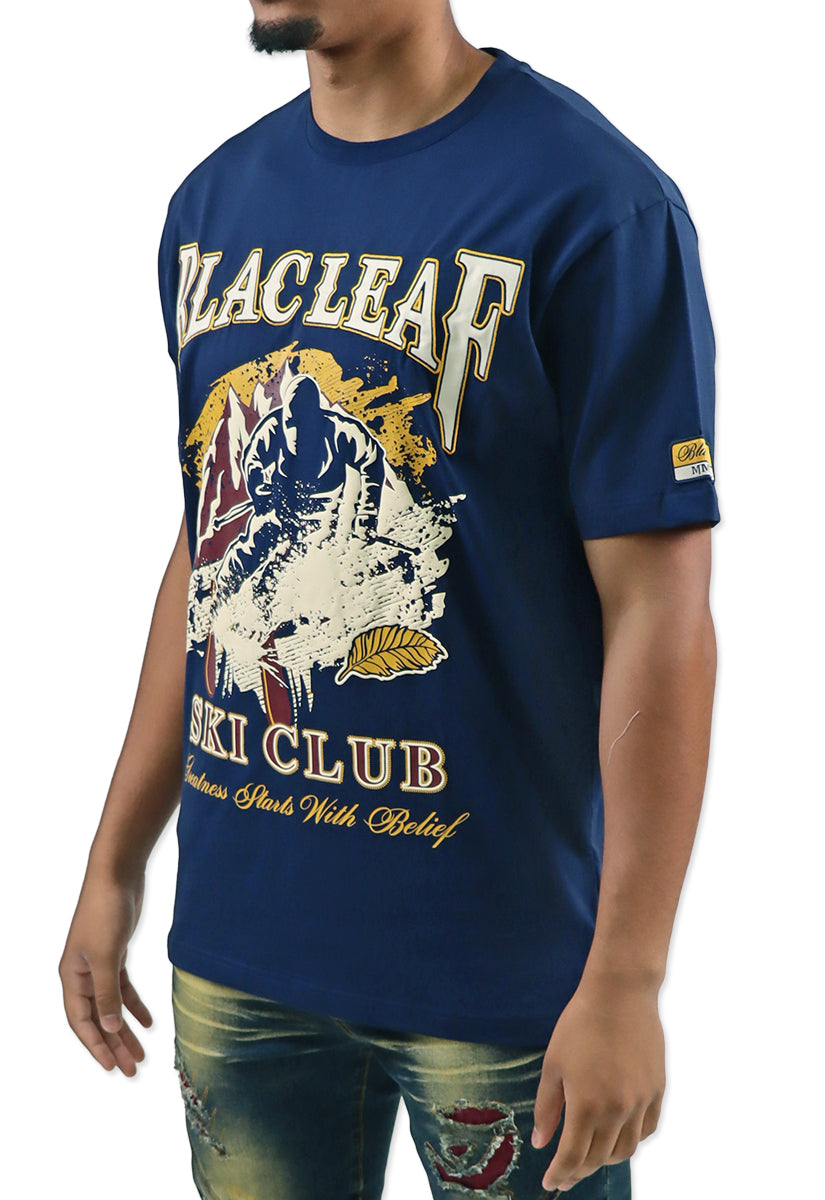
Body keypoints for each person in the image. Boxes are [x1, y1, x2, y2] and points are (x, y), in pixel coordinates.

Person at [58, 2, 720, 1197]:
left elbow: (659, 607)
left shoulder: (594, 205)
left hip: (500, 977)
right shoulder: (214, 206)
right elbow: (207, 552)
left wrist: (628, 975)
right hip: (241, 959)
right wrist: (115, 862)